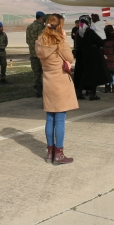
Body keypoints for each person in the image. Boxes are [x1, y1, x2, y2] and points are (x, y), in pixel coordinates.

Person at [35, 13, 77, 164]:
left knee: (49, 118)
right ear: (59, 26)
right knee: (60, 119)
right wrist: (64, 39)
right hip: (60, 82)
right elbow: (70, 58)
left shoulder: (40, 41)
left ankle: (50, 153)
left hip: (48, 81)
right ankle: (59, 154)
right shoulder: (59, 41)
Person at [73, 15, 111, 100]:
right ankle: (92, 94)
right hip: (94, 54)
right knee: (94, 74)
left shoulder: (79, 32)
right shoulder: (89, 32)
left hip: (83, 55)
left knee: (84, 74)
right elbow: (100, 42)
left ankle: (79, 92)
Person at [26, 11, 46, 97]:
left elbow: (27, 40)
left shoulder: (29, 27)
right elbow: (44, 40)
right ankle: (42, 90)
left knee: (36, 73)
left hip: (33, 53)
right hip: (41, 53)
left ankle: (36, 89)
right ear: (41, 18)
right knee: (44, 72)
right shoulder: (42, 27)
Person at [102, 25, 114, 93]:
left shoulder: (104, 41)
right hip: (112, 58)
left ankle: (107, 87)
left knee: (107, 73)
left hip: (105, 58)